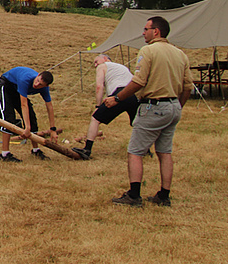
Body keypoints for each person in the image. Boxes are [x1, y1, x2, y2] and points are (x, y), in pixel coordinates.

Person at [105, 16, 193, 207]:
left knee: (135, 151)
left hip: (153, 106)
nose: (143, 33)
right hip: (173, 107)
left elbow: (139, 81)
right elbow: (188, 87)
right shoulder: (180, 54)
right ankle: (164, 195)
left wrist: (117, 98)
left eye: (146, 29)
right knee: (164, 152)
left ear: (156, 32)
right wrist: (178, 106)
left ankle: (134, 195)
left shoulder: (148, 51)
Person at [72, 54, 139, 160]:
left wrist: (98, 106)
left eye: (96, 61)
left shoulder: (103, 66)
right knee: (137, 123)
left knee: (95, 118)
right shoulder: (122, 68)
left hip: (119, 94)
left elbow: (99, 86)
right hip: (134, 94)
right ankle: (145, 150)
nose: (95, 65)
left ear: (105, 59)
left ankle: (87, 149)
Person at [0, 66, 58, 162]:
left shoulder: (44, 89)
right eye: (37, 80)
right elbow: (24, 105)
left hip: (17, 90)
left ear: (45, 86)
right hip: (5, 86)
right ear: (38, 75)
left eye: (40, 85)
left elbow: (49, 107)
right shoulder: (25, 79)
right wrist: (27, 128)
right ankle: (5, 154)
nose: (37, 84)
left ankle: (35, 150)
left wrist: (53, 129)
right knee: (8, 119)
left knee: (32, 118)